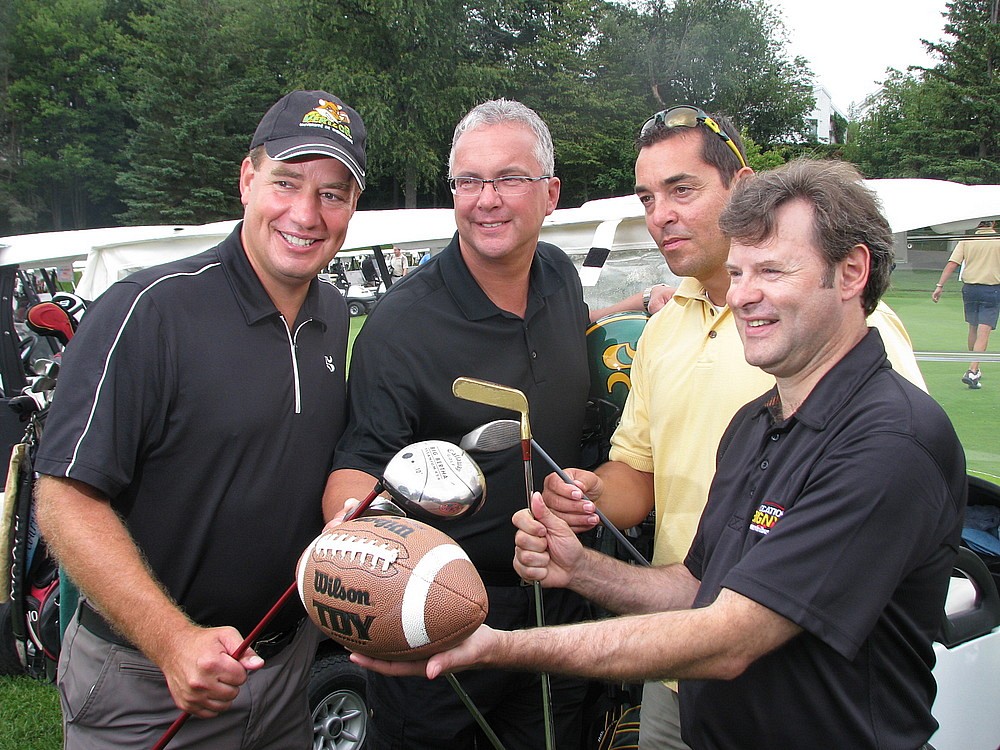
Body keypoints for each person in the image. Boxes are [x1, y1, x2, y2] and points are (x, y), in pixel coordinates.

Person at [352, 158, 968, 750]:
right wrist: (580, 568)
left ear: (852, 273)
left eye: (772, 272)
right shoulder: (756, 424)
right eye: (738, 273)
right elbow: (696, 590)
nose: (742, 296)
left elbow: (728, 638)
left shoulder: (891, 442)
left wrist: (499, 646)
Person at [556, 106, 929, 748]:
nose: (660, 215)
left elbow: (893, 486)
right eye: (647, 198)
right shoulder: (662, 331)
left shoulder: (839, 327)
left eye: (682, 189)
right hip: (674, 661)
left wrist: (500, 646)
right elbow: (639, 477)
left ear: (743, 187)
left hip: (801, 686)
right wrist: (587, 497)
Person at [33, 89, 365, 749]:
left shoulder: (331, 314)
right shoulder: (148, 310)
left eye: (332, 194)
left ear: (353, 207)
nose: (306, 214)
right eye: (286, 182)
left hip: (286, 672)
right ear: (247, 179)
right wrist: (172, 641)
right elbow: (64, 498)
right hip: (147, 683)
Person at [324, 99, 591, 749]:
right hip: (441, 618)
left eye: (509, 178)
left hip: (561, 600)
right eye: (468, 181)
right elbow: (359, 465)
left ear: (550, 193)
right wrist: (353, 538)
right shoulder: (400, 325)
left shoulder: (561, 277)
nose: (486, 199)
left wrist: (645, 302)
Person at [932, 219, 1000, 389]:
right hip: (991, 289)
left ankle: (974, 367)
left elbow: (952, 263)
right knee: (983, 331)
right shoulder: (997, 240)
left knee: (973, 328)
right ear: (993, 223)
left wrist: (940, 285)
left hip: (970, 289)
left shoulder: (967, 240)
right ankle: (972, 370)